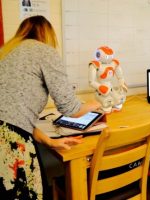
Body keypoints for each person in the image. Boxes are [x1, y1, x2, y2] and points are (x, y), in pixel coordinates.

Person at [0, 16, 101, 199]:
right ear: (47, 35)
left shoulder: (6, 53)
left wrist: (50, 142)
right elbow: (70, 108)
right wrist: (99, 103)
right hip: (10, 145)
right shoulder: (44, 51)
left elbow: (15, 115)